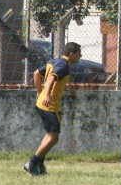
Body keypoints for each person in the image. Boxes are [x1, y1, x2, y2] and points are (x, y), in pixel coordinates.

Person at [25, 42, 82, 176]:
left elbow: (36, 73)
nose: (81, 55)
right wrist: (47, 95)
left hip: (45, 104)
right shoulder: (63, 66)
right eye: (79, 53)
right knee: (53, 137)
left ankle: (39, 163)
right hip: (48, 105)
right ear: (71, 54)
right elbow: (51, 78)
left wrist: (40, 92)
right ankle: (32, 163)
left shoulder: (54, 61)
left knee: (50, 135)